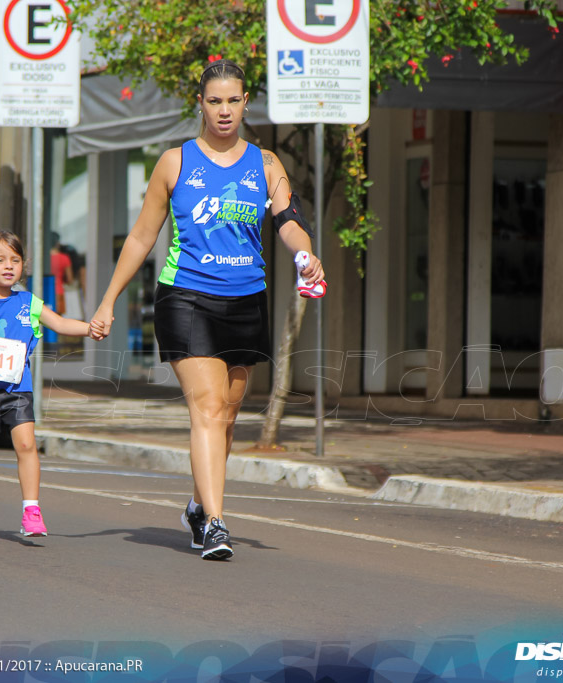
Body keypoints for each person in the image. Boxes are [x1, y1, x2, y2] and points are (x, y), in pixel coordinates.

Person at [88, 58, 325, 560]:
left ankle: (199, 506)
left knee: (230, 414)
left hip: (245, 300)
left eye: (233, 101)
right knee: (209, 408)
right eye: (213, 101)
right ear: (200, 103)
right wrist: (109, 299)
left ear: (245, 102)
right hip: (186, 296)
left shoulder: (265, 165)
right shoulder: (175, 162)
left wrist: (306, 256)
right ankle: (216, 523)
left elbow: (288, 221)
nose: (223, 111)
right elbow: (141, 236)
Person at [0, 230, 90, 541]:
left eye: (15, 260)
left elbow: (62, 323)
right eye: (0, 260)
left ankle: (32, 511)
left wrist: (91, 328)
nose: (9, 266)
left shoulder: (29, 302)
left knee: (26, 446)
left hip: (17, 389)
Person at [48, 232, 74, 314]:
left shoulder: (44, 258)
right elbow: (70, 279)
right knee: (58, 322)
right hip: (59, 292)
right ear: (57, 243)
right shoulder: (64, 258)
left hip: (46, 291)